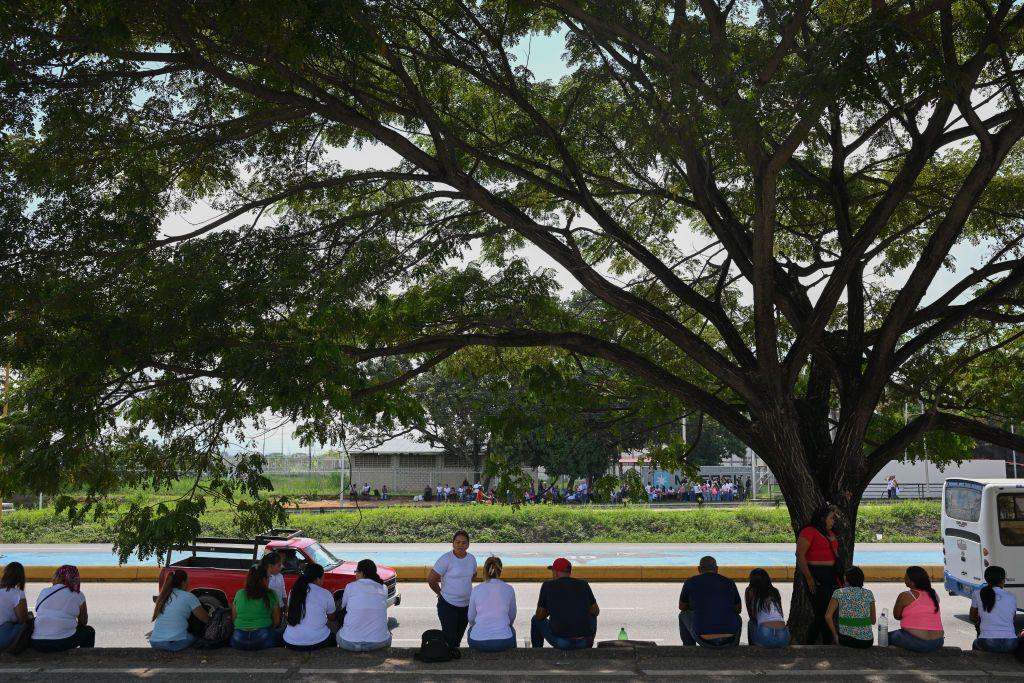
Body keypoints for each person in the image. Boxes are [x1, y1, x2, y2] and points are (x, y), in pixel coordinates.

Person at [795, 503, 841, 644]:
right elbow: (800, 555)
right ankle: (813, 642)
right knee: (821, 612)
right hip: (816, 575)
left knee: (828, 612)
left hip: (831, 575)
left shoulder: (830, 533)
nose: (833, 521)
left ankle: (823, 643)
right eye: (831, 518)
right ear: (822, 518)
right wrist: (809, 578)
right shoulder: (809, 531)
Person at [531, 558, 599, 649]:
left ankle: (537, 651)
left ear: (555, 572)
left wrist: (552, 610)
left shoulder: (548, 586)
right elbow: (596, 611)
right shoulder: (583, 584)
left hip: (562, 642)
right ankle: (586, 643)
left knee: (535, 619)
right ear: (569, 572)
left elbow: (539, 616)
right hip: (585, 642)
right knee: (592, 615)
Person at [427, 529, 477, 650]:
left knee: (457, 640)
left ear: (468, 545)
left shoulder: (471, 559)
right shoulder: (446, 559)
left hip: (466, 606)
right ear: (453, 543)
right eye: (457, 542)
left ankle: (454, 664)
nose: (460, 545)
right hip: (448, 605)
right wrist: (440, 594)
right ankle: (445, 663)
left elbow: (473, 575)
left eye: (464, 543)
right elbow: (431, 579)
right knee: (449, 638)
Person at [678, 555, 741, 648]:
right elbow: (738, 609)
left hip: (703, 639)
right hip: (730, 639)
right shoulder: (729, 582)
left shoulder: (690, 582)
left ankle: (689, 647)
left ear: (699, 569)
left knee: (683, 615)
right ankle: (735, 647)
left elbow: (682, 607)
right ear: (716, 569)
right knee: (737, 617)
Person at [30, 565, 95, 652]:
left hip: (37, 642)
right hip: (61, 643)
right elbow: (83, 622)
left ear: (60, 577)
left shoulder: (44, 592)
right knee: (89, 631)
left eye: (55, 575)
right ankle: (84, 659)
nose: (53, 578)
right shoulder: (78, 595)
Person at [338, 559, 391, 651]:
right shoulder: (383, 588)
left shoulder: (350, 586)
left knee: (338, 631)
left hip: (349, 643)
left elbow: (344, 607)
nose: (356, 574)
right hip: (380, 643)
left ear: (362, 573)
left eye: (356, 571)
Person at [886, 565, 943, 652]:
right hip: (938, 641)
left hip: (917, 641)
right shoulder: (933, 594)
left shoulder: (905, 595)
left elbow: (897, 616)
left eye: (906, 576)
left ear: (912, 582)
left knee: (885, 637)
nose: (904, 578)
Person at [150, 569, 208, 651]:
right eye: (188, 580)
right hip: (171, 644)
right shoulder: (189, 596)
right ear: (183, 583)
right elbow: (204, 618)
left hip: (154, 642)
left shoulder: (164, 596)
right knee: (196, 637)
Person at [283, 563, 337, 651]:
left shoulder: (294, 591)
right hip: (317, 642)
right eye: (323, 577)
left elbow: (289, 611)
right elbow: (332, 617)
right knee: (334, 638)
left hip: (290, 641)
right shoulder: (325, 593)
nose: (323, 580)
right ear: (317, 579)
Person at [467, 557, 516, 652]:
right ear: (500, 571)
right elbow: (512, 615)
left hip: (477, 641)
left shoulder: (476, 589)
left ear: (484, 571)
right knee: (511, 630)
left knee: (471, 630)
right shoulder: (509, 589)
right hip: (504, 641)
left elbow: (471, 618)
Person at [230, 564, 282, 650]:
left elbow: (234, 618)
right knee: (284, 632)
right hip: (263, 638)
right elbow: (276, 621)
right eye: (269, 578)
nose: (269, 580)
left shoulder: (239, 593)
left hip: (238, 640)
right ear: (264, 580)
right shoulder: (271, 594)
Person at [970, 565, 1019, 653]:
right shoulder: (1012, 596)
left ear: (986, 579)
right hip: (1011, 643)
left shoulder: (977, 593)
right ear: (1003, 580)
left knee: (975, 643)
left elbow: (972, 617)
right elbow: (1013, 619)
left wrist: (981, 620)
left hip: (987, 642)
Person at [826, 566, 875, 649]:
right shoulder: (869, 593)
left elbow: (828, 616)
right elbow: (873, 621)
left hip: (846, 640)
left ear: (846, 579)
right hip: (867, 641)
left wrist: (835, 635)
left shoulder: (839, 593)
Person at [744, 568, 790, 648]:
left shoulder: (750, 591)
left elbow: (751, 616)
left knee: (751, 623)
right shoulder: (775, 592)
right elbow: (781, 614)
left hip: (765, 636)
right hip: (784, 638)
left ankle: (752, 647)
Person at [0, 561, 29, 651]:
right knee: (29, 623)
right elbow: (22, 620)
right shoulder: (18, 593)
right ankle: (13, 647)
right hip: (3, 636)